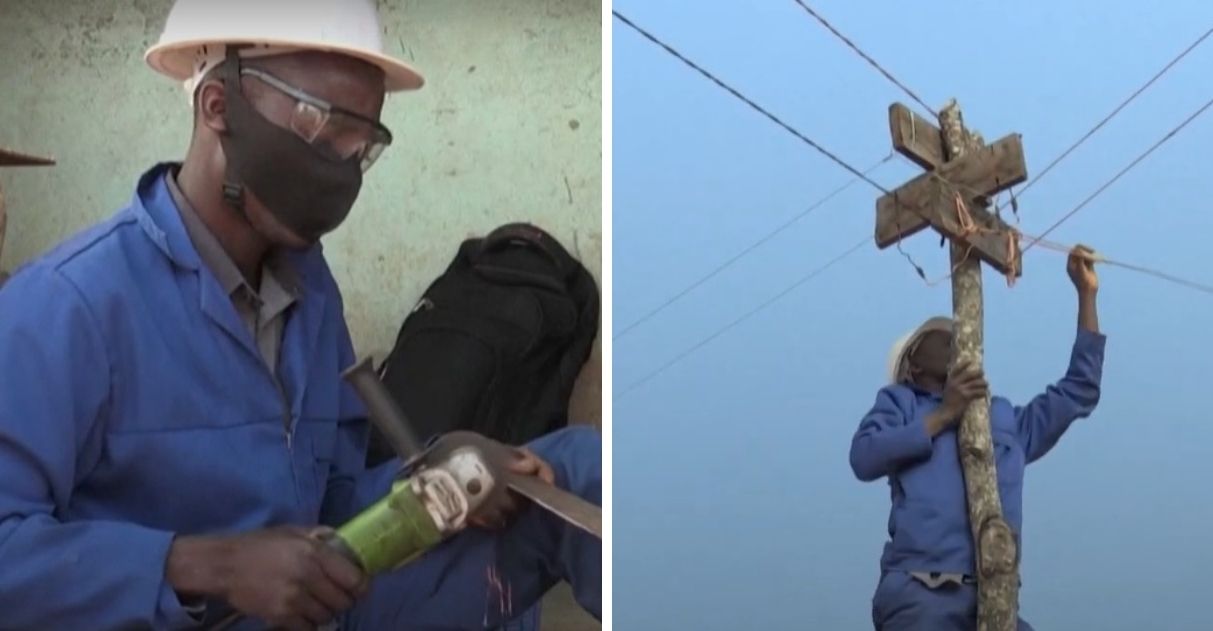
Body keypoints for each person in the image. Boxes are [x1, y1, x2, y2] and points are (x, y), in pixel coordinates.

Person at [0, 1, 600, 629]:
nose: (341, 165)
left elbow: (335, 503)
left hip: (323, 606)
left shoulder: (308, 293)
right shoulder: (71, 303)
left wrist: (443, 468)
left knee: (576, 477)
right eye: (321, 125)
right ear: (218, 105)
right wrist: (204, 566)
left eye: (362, 143)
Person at [850, 245, 1105, 631]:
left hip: (994, 597)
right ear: (913, 365)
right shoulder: (901, 403)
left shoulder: (1003, 418)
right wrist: (943, 416)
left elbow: (1078, 391)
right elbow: (864, 456)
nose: (955, 334)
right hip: (921, 596)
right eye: (939, 334)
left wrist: (1086, 295)